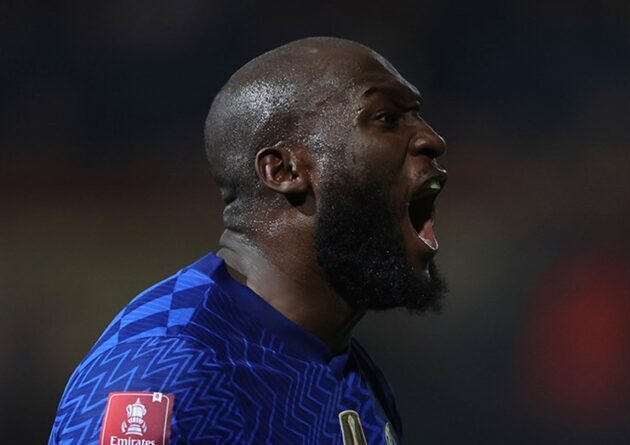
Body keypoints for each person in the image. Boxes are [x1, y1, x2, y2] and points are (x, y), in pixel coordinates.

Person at [48, 37, 448, 445]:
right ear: (284, 171)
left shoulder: (354, 374)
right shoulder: (165, 370)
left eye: (417, 116)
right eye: (387, 118)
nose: (432, 140)